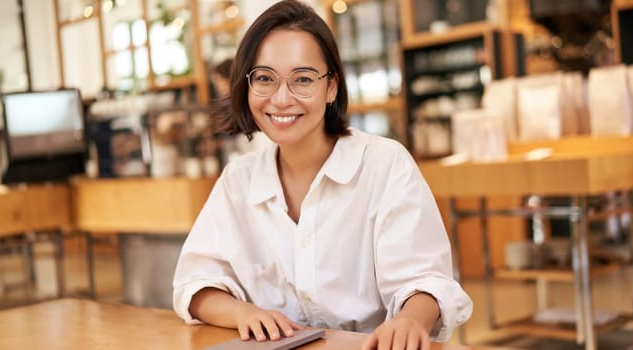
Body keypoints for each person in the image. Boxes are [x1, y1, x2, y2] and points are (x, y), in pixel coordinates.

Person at [171, 1, 472, 349]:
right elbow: (195, 285)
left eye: (302, 79)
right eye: (265, 78)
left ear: (331, 87)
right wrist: (243, 313)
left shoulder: (384, 165)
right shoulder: (238, 181)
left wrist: (409, 320)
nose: (281, 99)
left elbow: (426, 282)